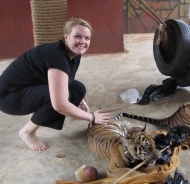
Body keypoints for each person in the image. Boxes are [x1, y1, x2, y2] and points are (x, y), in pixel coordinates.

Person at [0, 17, 110, 151]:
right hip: (8, 98)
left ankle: (37, 112)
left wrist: (81, 102)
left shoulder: (74, 54)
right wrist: (91, 117)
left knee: (77, 89)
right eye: (77, 37)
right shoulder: (57, 57)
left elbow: (68, 80)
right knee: (56, 100)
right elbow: (60, 105)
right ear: (66, 37)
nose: (83, 42)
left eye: (87, 38)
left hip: (26, 87)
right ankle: (27, 132)